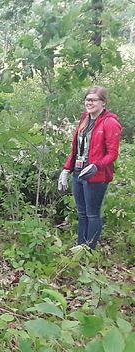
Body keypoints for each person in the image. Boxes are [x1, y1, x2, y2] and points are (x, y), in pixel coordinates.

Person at [58, 86, 121, 249]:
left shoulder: (110, 123)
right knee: (81, 213)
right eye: (87, 99)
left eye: (93, 100)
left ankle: (89, 250)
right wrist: (67, 169)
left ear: (103, 102)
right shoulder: (85, 119)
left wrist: (96, 166)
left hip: (96, 176)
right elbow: (76, 149)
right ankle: (80, 248)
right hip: (79, 173)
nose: (89, 102)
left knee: (92, 213)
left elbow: (112, 154)